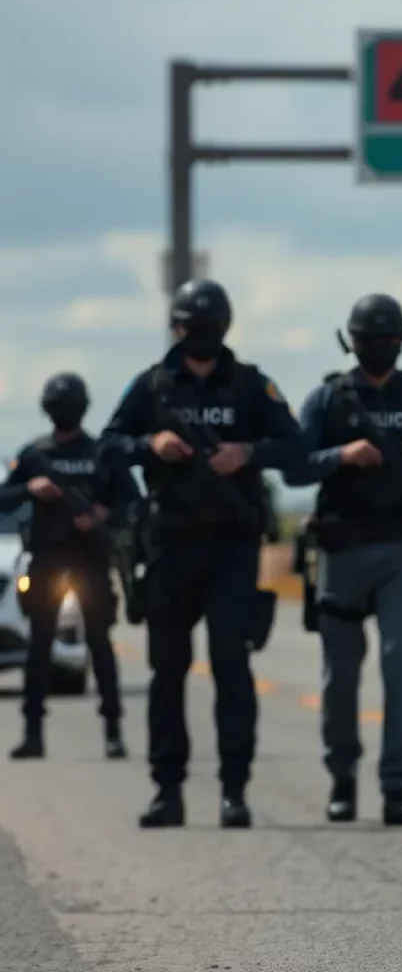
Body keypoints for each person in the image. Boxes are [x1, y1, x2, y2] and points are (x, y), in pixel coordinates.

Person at [100, 279, 304, 829]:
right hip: (169, 546)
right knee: (167, 670)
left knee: (231, 664)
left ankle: (233, 791)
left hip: (231, 547)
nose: (201, 337)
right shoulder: (152, 387)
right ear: (176, 328)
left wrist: (248, 452)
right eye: (193, 328)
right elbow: (108, 445)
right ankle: (167, 790)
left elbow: (297, 446)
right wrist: (150, 445)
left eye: (211, 329)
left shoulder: (250, 385)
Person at [283, 294, 402, 826]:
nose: (381, 348)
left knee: (399, 663)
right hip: (342, 553)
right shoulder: (327, 398)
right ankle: (342, 779)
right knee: (339, 675)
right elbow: (293, 467)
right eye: (370, 340)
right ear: (352, 342)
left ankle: (396, 786)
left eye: (390, 341)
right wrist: (340, 456)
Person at [0, 373, 139, 761]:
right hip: (46, 559)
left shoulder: (102, 454)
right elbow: (3, 498)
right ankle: (32, 733)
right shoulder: (34, 456)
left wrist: (101, 513)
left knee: (100, 645)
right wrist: (30, 488)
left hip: (90, 558)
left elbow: (132, 500)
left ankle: (113, 730)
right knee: (39, 649)